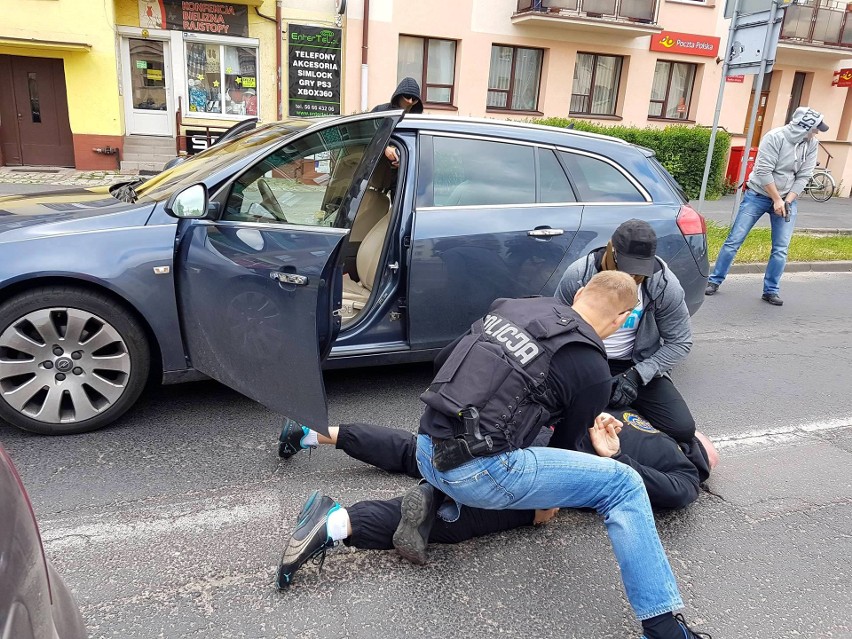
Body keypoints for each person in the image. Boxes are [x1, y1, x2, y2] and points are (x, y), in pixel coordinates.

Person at [281, 271, 708, 638]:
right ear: (622, 320)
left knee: (458, 459)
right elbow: (565, 449)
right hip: (483, 472)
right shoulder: (592, 367)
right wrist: (560, 491)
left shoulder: (514, 308)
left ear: (578, 295)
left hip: (432, 441)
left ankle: (407, 501)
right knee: (622, 485)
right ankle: (663, 627)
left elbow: (446, 362)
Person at [275, 408, 718, 580]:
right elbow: (678, 493)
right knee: (502, 512)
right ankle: (338, 521)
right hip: (546, 473)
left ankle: (314, 433)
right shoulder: (683, 464)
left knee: (418, 449)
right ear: (699, 457)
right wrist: (617, 460)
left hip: (517, 434)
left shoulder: (632, 411)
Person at [556, 219, 696, 444]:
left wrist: (638, 375)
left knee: (682, 429)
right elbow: (557, 326)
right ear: (612, 251)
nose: (632, 277)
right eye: (626, 267)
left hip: (634, 365)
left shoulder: (663, 284)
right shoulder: (580, 275)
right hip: (586, 359)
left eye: (639, 270)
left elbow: (680, 342)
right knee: (567, 422)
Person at [705, 107, 830, 306]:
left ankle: (770, 290)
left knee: (781, 248)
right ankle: (714, 281)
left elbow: (804, 175)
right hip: (758, 195)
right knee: (734, 240)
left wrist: (787, 201)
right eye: (815, 128)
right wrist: (776, 199)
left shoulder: (812, 144)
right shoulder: (774, 137)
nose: (816, 133)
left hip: (786, 198)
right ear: (804, 126)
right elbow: (763, 171)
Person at [371, 77, 423, 168]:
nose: (410, 101)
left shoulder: (416, 120)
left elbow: (418, 148)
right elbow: (367, 136)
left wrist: (404, 160)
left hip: (403, 174)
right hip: (377, 169)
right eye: (407, 97)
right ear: (399, 95)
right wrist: (384, 148)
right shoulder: (381, 111)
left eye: (414, 99)